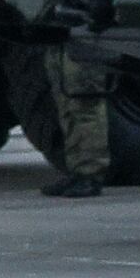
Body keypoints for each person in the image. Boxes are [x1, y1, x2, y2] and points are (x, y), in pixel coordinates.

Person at [39, 46, 113, 198]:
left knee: (85, 107)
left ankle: (91, 174)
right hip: (63, 39)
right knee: (67, 107)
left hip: (84, 38)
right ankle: (78, 170)